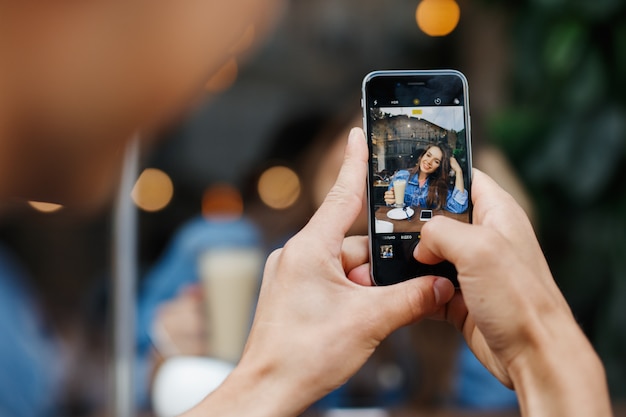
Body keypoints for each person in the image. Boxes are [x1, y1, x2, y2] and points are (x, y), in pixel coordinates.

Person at [0, 3, 613, 417]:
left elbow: (490, 401)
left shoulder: (451, 279)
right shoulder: (228, 245)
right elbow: (114, 385)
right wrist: (166, 356)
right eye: (370, 145)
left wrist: (526, 341)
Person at [384, 144, 468, 214]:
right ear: (422, 156)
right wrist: (391, 201)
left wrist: (458, 171)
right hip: (404, 229)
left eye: (436, 161)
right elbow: (393, 207)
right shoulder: (401, 177)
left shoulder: (439, 187)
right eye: (428, 155)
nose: (429, 161)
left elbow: (458, 207)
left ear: (439, 167)